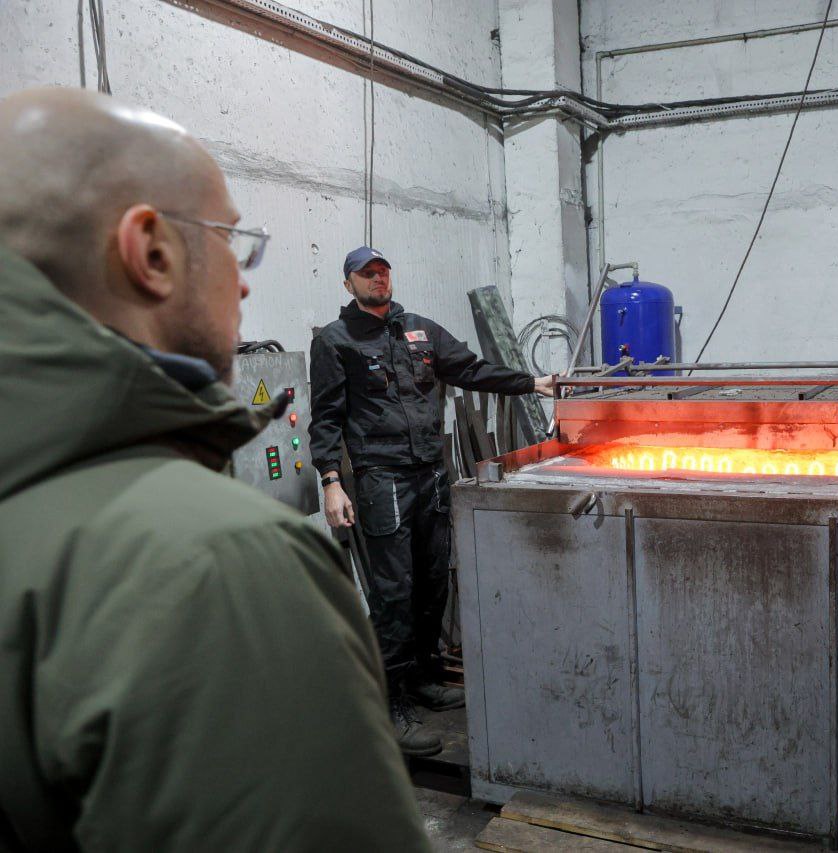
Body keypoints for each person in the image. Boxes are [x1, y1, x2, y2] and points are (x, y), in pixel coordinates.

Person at [0, 87, 431, 851]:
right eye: (233, 241)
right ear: (152, 252)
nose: (243, 281)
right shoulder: (219, 565)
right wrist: (332, 479)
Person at [310, 247, 553, 751]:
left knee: (432, 582)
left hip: (430, 474)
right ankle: (389, 705)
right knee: (394, 594)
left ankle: (421, 678)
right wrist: (331, 480)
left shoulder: (419, 329)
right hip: (382, 480)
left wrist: (532, 382)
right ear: (348, 283)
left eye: (383, 271)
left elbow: (471, 370)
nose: (378, 279)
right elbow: (327, 416)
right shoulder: (336, 341)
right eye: (366, 274)